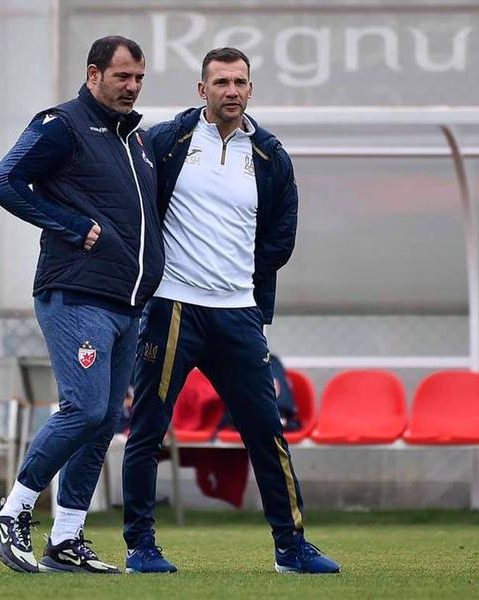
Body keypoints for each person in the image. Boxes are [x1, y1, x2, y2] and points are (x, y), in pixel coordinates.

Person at [122, 47, 340, 575]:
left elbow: (281, 235)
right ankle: (141, 547)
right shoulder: (166, 141)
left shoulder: (270, 155)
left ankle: (291, 547)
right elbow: (137, 213)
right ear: (203, 90)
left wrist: (239, 277)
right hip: (174, 307)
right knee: (147, 429)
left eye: (240, 82)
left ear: (250, 89)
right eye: (221, 82)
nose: (231, 91)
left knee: (266, 431)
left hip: (239, 312)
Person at [0, 35, 164, 574]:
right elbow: (2, 182)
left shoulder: (137, 141)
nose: (132, 87)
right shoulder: (61, 124)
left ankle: (66, 539)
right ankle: (11, 514)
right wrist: (71, 225)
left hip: (128, 303)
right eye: (122, 76)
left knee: (103, 419)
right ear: (93, 74)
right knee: (82, 407)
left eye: (139, 78)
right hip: (77, 295)